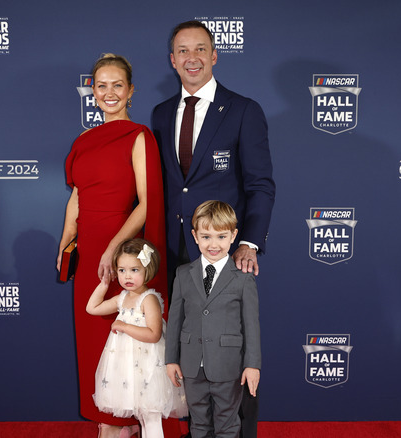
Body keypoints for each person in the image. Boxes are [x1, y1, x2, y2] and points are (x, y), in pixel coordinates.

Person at [152, 21, 274, 437]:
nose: (192, 58)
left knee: (234, 348)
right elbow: (168, 186)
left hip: (226, 251)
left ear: (215, 55)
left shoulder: (243, 110)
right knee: (192, 348)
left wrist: (250, 244)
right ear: (172, 60)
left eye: (200, 49)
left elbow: (260, 185)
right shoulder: (162, 113)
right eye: (183, 50)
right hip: (177, 253)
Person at [58, 53, 168, 438]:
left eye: (117, 85)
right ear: (92, 91)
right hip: (88, 250)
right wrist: (66, 242)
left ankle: (125, 424)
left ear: (130, 91)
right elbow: (76, 197)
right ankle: (106, 417)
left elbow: (147, 203)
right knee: (93, 334)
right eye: (101, 85)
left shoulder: (138, 136)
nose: (109, 93)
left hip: (124, 253)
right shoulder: (83, 140)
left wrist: (113, 249)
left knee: (124, 334)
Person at [165, 200, 261, 438]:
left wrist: (252, 365)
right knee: (198, 424)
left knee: (227, 424)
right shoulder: (183, 274)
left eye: (221, 236)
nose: (213, 244)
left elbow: (251, 326)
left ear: (233, 236)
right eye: (206, 236)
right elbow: (175, 319)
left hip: (228, 366)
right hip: (191, 366)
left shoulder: (242, 278)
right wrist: (171, 359)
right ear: (195, 236)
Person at [87, 239, 189, 438]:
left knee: (151, 417)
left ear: (147, 270)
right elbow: (92, 308)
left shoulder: (149, 299)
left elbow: (154, 334)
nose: (127, 276)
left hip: (149, 367)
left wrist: (125, 326)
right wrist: (105, 283)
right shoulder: (122, 298)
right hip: (129, 369)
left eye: (134, 270)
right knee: (142, 417)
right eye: (122, 270)